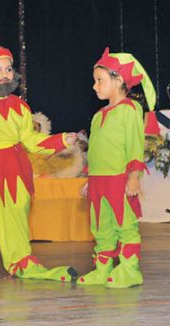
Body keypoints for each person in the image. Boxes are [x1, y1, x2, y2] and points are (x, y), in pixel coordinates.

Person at [0, 44, 77, 282]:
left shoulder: (20, 107)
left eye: (9, 68)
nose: (6, 74)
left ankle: (21, 263)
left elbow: (31, 140)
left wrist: (61, 140)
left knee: (15, 219)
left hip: (14, 171)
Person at [78, 48, 155, 288]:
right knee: (101, 227)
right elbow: (96, 150)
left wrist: (134, 176)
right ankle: (102, 269)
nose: (95, 86)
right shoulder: (98, 115)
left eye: (100, 80)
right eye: (95, 81)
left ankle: (130, 270)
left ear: (118, 79)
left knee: (125, 226)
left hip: (119, 180)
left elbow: (135, 145)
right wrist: (90, 179)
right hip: (99, 182)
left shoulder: (130, 110)